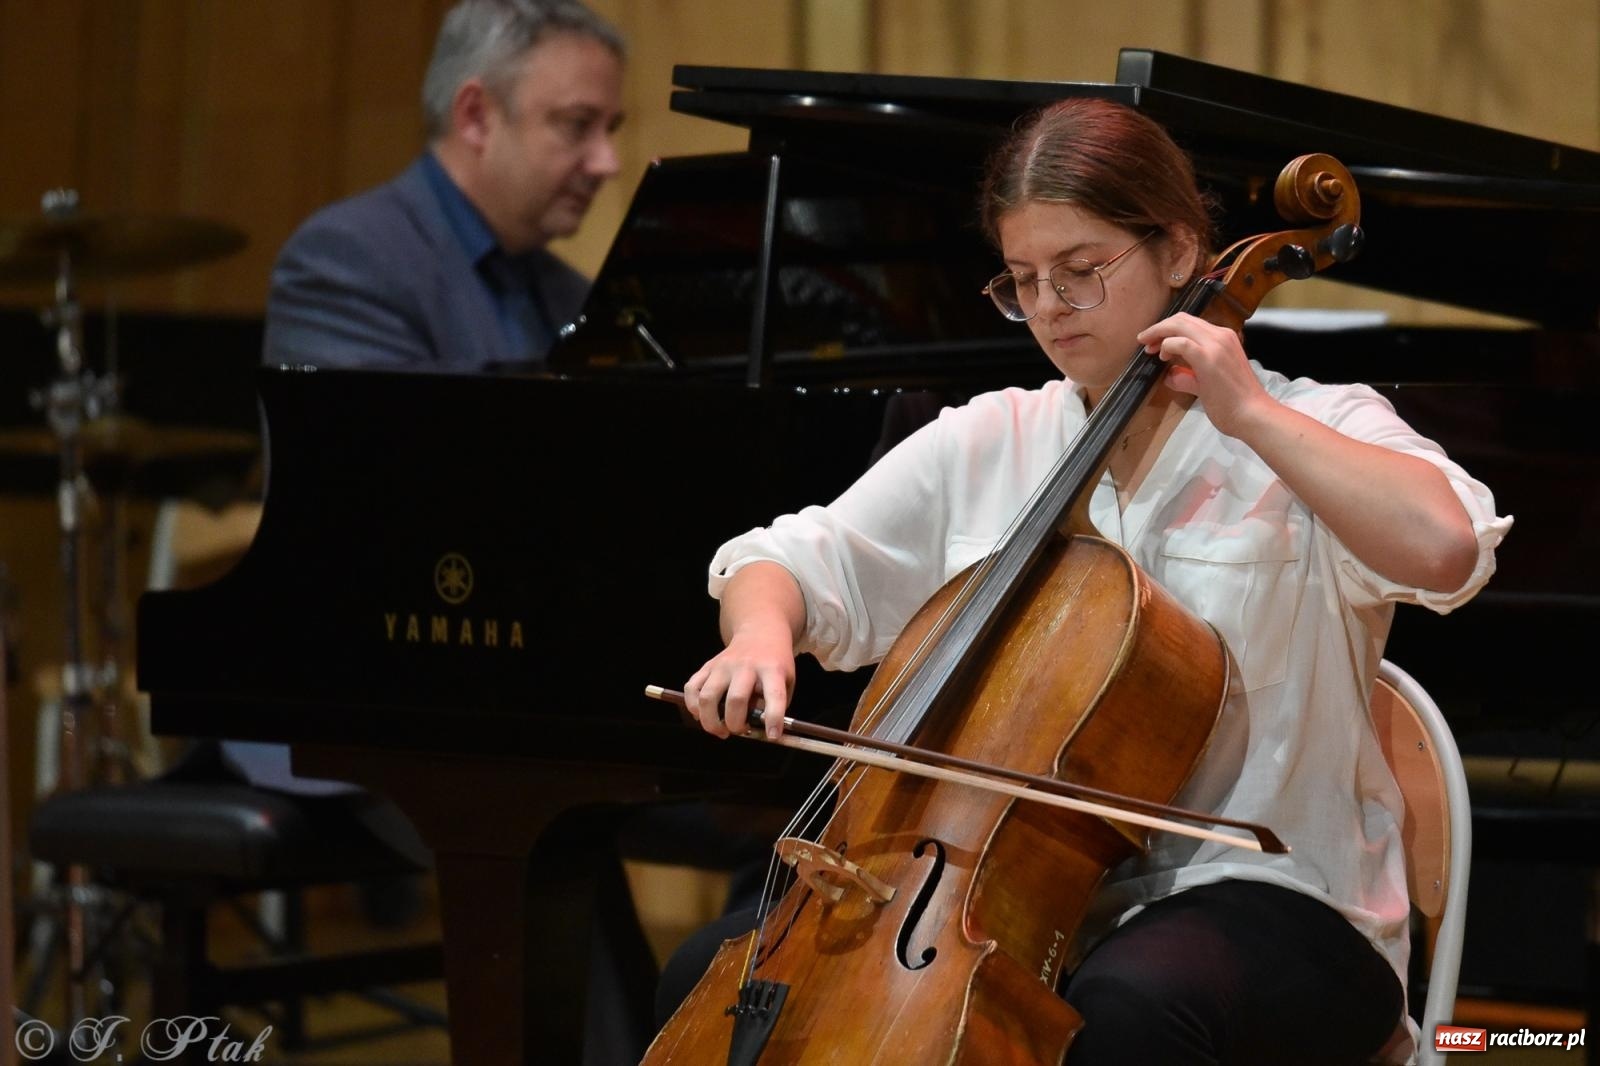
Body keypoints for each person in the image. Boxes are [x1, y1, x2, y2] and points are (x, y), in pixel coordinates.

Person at [664, 97, 1511, 1065]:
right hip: (1019, 901)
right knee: (715, 975)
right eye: (1022, 281)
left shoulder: (1313, 424)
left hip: (1281, 900)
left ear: (1181, 248)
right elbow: (780, 558)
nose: (1050, 309)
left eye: (1081, 272)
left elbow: (1445, 547)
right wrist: (758, 634)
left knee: (1123, 1011)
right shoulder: (994, 438)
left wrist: (1250, 417)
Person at [263, 0, 624, 371]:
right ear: (476, 117)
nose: (608, 163)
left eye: (610, 129)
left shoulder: (576, 297)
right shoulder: (347, 260)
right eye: (578, 124)